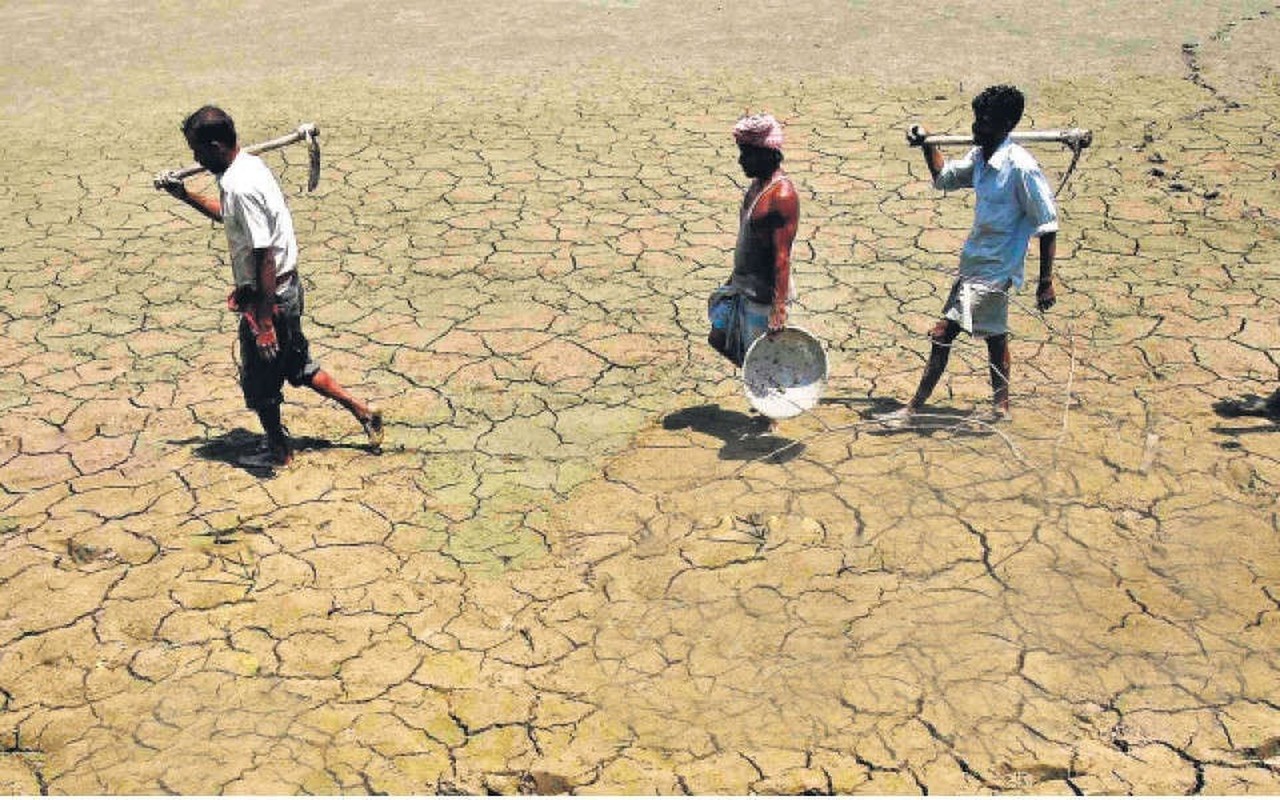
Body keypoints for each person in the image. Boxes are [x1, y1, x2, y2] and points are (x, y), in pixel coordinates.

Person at [160, 105, 382, 468]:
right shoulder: (247, 165)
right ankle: (363, 411)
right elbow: (228, 216)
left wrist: (263, 323)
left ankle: (280, 452)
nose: (194, 158)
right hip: (286, 288)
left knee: (259, 383)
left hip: (270, 296)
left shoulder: (240, 184)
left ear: (215, 146)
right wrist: (184, 196)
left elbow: (264, 254)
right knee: (297, 367)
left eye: (197, 150)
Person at [879, 85, 1059, 427]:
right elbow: (944, 179)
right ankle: (1001, 406)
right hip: (973, 263)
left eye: (985, 122)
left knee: (942, 333)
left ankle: (914, 409)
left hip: (997, 269)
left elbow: (1048, 224)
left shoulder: (1020, 168)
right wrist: (927, 144)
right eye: (976, 119)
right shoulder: (979, 157)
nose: (976, 128)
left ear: (1006, 124)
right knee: (995, 337)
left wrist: (1045, 282)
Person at [708, 113, 800, 371]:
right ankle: (764, 380)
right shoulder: (757, 186)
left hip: (763, 298)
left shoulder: (781, 196)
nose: (740, 161)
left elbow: (782, 256)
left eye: (746, 154)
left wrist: (778, 308)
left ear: (766, 153)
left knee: (761, 363)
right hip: (742, 287)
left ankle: (772, 390)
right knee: (719, 338)